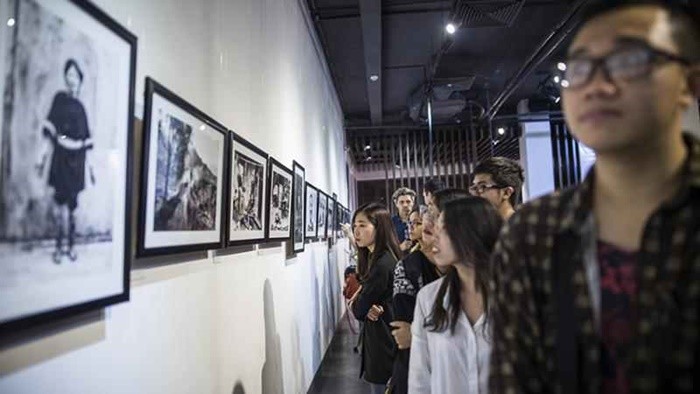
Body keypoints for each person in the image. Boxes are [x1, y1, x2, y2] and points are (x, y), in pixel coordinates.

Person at [489, 1, 700, 393]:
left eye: (629, 61)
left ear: (688, 83)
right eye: (580, 68)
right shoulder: (533, 232)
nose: (597, 85)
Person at [409, 197, 504, 393]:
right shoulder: (429, 298)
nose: (433, 236)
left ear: (471, 233)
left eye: (443, 229)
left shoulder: (515, 294)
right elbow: (420, 378)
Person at [37, 59, 94, 264]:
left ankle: (71, 248)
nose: (71, 79)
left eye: (75, 76)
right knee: (59, 207)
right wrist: (42, 156)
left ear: (80, 80)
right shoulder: (59, 100)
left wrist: (92, 168)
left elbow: (87, 141)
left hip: (77, 162)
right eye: (68, 75)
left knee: (72, 209)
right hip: (60, 158)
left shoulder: (81, 108)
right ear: (65, 77)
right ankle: (59, 248)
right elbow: (50, 131)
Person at [388, 205, 443, 394]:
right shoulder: (408, 266)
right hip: (415, 365)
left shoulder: (463, 275)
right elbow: (402, 332)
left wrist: (418, 336)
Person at [349, 202, 402, 394]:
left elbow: (359, 309)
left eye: (363, 225)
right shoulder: (376, 258)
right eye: (355, 225)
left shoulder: (382, 264)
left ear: (379, 228)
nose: (357, 231)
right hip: (382, 337)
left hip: (385, 340)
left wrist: (358, 301)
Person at [390, 187, 417, 253]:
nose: (405, 205)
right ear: (396, 204)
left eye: (408, 202)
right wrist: (399, 248)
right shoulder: (390, 223)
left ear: (413, 203)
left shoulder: (420, 221)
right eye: (401, 202)